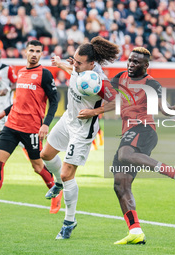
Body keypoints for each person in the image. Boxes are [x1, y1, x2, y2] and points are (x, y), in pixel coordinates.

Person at [110, 47, 175, 245]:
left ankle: (174, 172)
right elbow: (104, 89)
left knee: (124, 153)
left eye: (136, 62)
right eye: (130, 60)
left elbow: (161, 106)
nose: (131, 64)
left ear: (146, 65)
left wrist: (171, 109)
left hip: (144, 130)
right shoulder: (120, 77)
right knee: (120, 185)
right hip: (128, 132)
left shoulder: (151, 83)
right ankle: (135, 231)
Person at [40, 36, 120, 239]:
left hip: (83, 130)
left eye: (78, 62)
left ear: (92, 64)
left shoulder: (100, 82)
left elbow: (117, 101)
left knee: (68, 174)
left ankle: (69, 221)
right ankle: (57, 183)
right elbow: (73, 72)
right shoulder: (79, 68)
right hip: (68, 119)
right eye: (73, 60)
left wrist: (94, 112)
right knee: (46, 155)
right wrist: (60, 64)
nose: (74, 64)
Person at [0, 40, 61, 216]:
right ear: (25, 52)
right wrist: (3, 113)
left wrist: (45, 124)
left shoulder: (45, 74)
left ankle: (55, 189)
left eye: (38, 51)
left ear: (41, 54)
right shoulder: (20, 73)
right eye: (31, 51)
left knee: (37, 166)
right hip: (11, 125)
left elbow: (55, 101)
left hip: (32, 129)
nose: (34, 54)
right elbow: (18, 102)